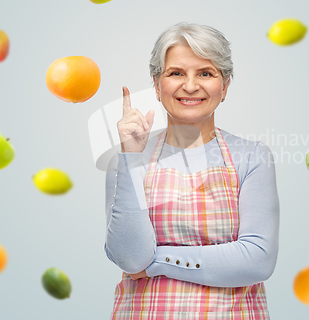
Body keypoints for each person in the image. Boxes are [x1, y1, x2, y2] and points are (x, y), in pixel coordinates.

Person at [104, 22, 280, 319]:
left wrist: (156, 261)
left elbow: (257, 261)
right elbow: (131, 258)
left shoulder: (251, 157)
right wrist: (131, 159)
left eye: (205, 73)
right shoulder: (125, 161)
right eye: (176, 73)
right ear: (157, 86)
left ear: (224, 86)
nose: (190, 85)